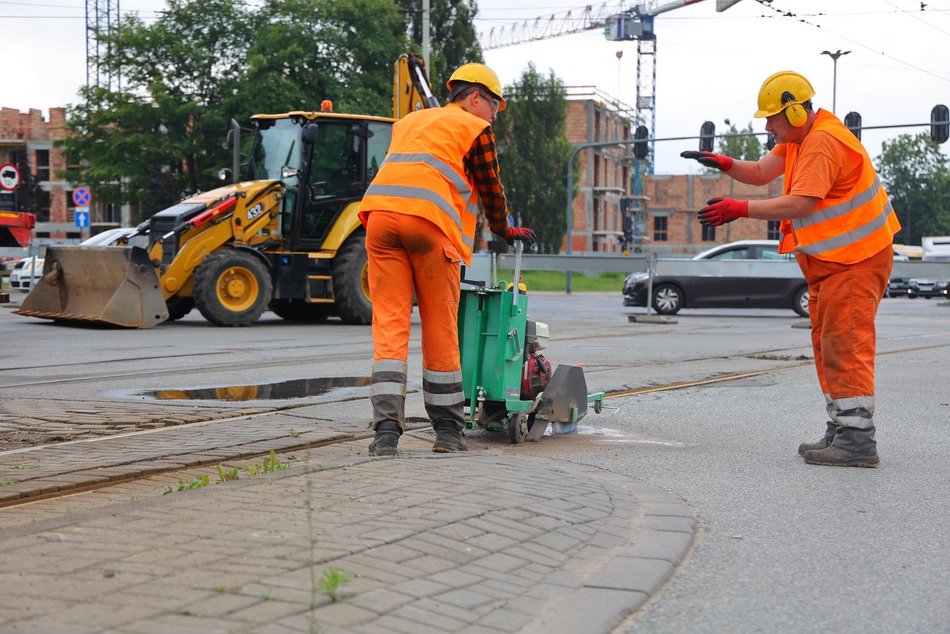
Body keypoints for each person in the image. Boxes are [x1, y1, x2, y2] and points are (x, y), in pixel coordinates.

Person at [681, 70, 900, 468]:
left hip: (855, 260)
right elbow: (761, 172)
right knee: (829, 347)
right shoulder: (800, 139)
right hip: (834, 263)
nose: (767, 126)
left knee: (846, 346)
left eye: (772, 119)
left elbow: (801, 203)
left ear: (796, 113)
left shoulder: (822, 143)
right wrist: (725, 163)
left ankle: (857, 440)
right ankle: (842, 427)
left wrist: (738, 209)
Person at [357, 62, 536, 457]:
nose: (494, 115)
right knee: (440, 327)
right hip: (428, 226)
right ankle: (449, 432)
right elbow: (491, 187)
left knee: (389, 326)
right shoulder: (474, 128)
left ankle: (385, 434)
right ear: (474, 98)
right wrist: (505, 230)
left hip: (380, 221)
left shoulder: (410, 121)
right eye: (493, 105)